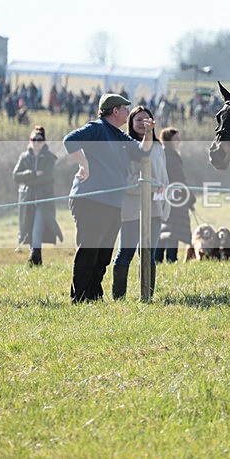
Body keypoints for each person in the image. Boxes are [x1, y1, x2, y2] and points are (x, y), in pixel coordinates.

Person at [63, 93, 154, 303]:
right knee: (89, 251)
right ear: (115, 111)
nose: (127, 112)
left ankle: (94, 296)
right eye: (124, 108)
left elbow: (143, 152)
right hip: (90, 201)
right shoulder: (96, 128)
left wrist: (148, 132)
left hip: (112, 203)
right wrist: (84, 164)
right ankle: (80, 298)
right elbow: (70, 141)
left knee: (103, 255)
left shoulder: (120, 136)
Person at [111, 106, 170, 300]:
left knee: (148, 253)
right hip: (131, 208)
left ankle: (147, 296)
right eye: (138, 120)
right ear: (131, 123)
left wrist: (164, 201)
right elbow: (127, 181)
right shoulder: (126, 147)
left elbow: (163, 178)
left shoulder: (158, 147)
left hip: (154, 208)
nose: (143, 123)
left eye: (147, 119)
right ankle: (119, 297)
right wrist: (151, 186)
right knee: (126, 252)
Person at [12, 125, 64, 266]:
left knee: (37, 231)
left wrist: (29, 180)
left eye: (39, 139)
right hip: (27, 199)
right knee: (28, 229)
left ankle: (33, 260)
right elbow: (16, 176)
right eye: (33, 139)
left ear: (44, 141)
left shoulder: (49, 158)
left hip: (43, 200)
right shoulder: (24, 157)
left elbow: (47, 177)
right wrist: (33, 173)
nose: (36, 142)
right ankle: (36, 261)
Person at [155, 127, 195, 263]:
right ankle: (171, 259)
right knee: (173, 230)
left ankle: (157, 259)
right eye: (176, 139)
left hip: (162, 197)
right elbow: (179, 179)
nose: (179, 141)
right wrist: (190, 198)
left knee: (162, 230)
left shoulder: (161, 154)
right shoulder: (171, 157)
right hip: (175, 199)